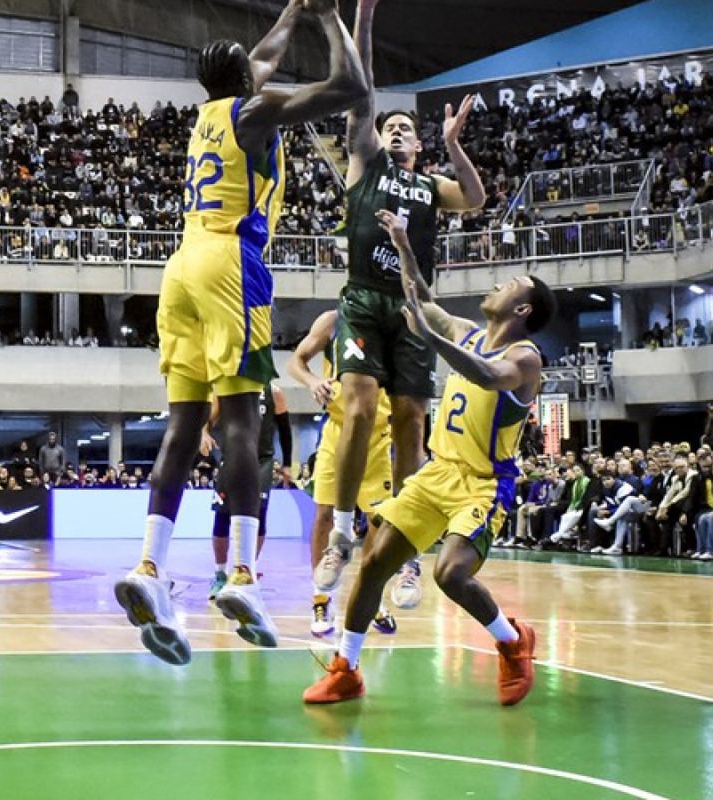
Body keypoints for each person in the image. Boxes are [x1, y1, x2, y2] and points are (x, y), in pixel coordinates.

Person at [113, 0, 368, 666]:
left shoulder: (208, 114)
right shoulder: (254, 111)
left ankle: (148, 566)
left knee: (180, 425)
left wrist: (292, 9)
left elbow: (263, 55)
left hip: (181, 267)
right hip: (233, 261)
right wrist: (329, 20)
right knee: (240, 425)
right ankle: (244, 578)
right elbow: (350, 89)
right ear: (247, 81)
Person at [303, 209, 554, 707]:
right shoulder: (464, 329)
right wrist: (401, 242)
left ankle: (511, 641)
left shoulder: (526, 358)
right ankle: (346, 668)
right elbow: (420, 295)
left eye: (509, 284)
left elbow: (486, 374)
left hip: (483, 482)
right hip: (436, 472)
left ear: (521, 309)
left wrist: (428, 334)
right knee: (374, 563)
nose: (498, 285)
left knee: (450, 574)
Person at [320, 0, 486, 603]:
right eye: (390, 125)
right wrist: (363, 18)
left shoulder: (429, 186)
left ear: (417, 145)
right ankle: (342, 534)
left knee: (412, 421)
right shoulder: (363, 162)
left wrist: (452, 142)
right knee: (361, 407)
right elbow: (361, 91)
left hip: (413, 306)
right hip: (364, 298)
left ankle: (405, 546)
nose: (395, 130)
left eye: (405, 129)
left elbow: (474, 197)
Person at [286, 310, 400, 637]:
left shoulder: (395, 323)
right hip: (339, 432)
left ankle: (369, 593)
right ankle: (321, 597)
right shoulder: (333, 321)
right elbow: (297, 361)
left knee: (379, 521)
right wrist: (312, 381)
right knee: (324, 515)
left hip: (378, 439)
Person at [201, 384, 293, 599]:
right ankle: (220, 573)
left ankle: (246, 570)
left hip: (261, 460)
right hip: (231, 456)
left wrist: (287, 463)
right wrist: (204, 432)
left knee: (259, 514)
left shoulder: (274, 393)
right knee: (222, 515)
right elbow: (209, 418)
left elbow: (285, 430)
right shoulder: (227, 386)